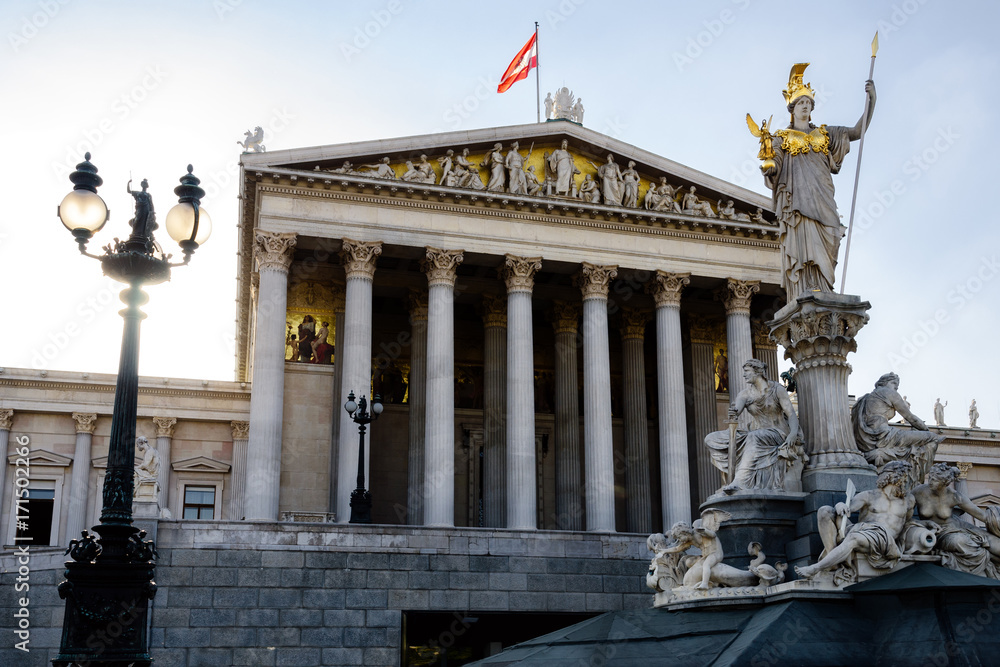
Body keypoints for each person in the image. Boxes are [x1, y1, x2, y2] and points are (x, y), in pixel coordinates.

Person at [761, 64, 876, 300]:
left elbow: (857, 131)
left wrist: (872, 101)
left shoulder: (825, 134)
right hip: (797, 204)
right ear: (792, 108)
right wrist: (769, 166)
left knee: (831, 235)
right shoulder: (781, 139)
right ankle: (806, 289)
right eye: (801, 103)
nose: (805, 106)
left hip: (823, 199)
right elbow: (774, 165)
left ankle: (824, 288)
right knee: (803, 248)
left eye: (809, 103)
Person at [795, 461, 913, 579]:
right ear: (891, 477)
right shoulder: (869, 495)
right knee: (824, 511)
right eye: (903, 479)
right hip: (863, 530)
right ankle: (833, 560)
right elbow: (848, 509)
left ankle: (816, 568)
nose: (906, 483)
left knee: (854, 537)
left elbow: (907, 523)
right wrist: (840, 505)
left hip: (883, 539)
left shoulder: (909, 500)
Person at [704, 359, 804, 493]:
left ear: (757, 372)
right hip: (755, 432)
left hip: (777, 433)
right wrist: (734, 412)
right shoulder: (745, 394)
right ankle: (737, 475)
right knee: (711, 439)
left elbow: (791, 414)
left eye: (746, 372)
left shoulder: (776, 389)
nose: (744, 375)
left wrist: (792, 434)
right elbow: (737, 408)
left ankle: (741, 481)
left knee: (753, 437)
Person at [852, 373, 944, 485]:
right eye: (894, 383)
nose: (896, 387)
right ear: (883, 382)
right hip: (885, 436)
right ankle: (915, 479)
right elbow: (911, 418)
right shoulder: (889, 393)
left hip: (865, 442)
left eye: (897, 384)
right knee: (932, 438)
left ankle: (886, 454)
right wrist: (927, 432)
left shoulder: (865, 398)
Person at [912, 463, 1000, 578]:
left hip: (960, 526)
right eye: (931, 478)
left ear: (944, 483)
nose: (930, 482)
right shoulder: (919, 492)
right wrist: (922, 523)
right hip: (941, 533)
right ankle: (989, 558)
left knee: (996, 544)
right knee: (960, 541)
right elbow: (905, 515)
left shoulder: (954, 496)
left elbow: (981, 516)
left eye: (935, 480)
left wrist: (996, 521)